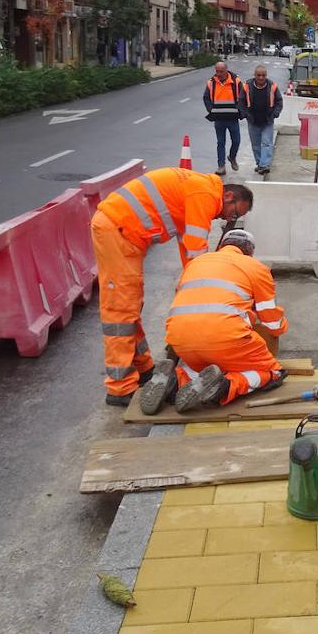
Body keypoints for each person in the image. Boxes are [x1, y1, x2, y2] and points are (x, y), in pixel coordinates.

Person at [91, 168, 254, 406]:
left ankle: (144, 368)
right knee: (120, 309)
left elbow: (188, 252)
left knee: (132, 303)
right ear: (228, 196)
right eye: (234, 212)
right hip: (117, 230)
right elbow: (197, 250)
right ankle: (119, 388)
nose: (228, 218)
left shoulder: (195, 193)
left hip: (123, 232)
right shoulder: (206, 194)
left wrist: (190, 286)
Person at [136, 229, 289, 414]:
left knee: (200, 369)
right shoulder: (255, 267)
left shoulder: (195, 264)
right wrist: (278, 327)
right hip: (226, 338)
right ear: (249, 252)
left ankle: (175, 380)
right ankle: (223, 386)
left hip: (181, 339)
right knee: (273, 372)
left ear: (222, 246)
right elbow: (272, 323)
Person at [202, 61, 245, 176]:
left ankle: (232, 157)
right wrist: (211, 110)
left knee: (236, 141)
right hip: (218, 118)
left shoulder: (235, 82)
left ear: (227, 70)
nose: (219, 74)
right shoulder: (212, 83)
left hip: (232, 118)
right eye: (217, 71)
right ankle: (221, 166)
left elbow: (243, 97)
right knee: (220, 142)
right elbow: (206, 98)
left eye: (221, 71)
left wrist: (240, 110)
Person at [242, 64, 283, 175]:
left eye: (263, 75)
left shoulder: (272, 86)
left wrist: (275, 114)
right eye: (258, 75)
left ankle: (264, 165)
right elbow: (241, 102)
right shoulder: (247, 86)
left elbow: (279, 101)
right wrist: (245, 114)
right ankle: (260, 163)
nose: (261, 78)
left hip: (267, 120)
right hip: (253, 120)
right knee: (256, 144)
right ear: (254, 75)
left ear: (266, 76)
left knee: (266, 143)